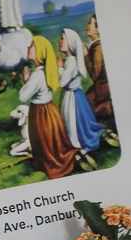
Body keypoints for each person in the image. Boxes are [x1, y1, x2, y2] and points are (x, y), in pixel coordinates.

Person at [18, 34, 77, 179]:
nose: (28, 48)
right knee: (53, 141)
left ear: (39, 51)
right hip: (51, 111)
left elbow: (22, 97)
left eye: (32, 46)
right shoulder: (48, 69)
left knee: (45, 142)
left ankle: (50, 163)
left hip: (41, 114)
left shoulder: (37, 75)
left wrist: (25, 80)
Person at [58, 27, 103, 169]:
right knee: (72, 124)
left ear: (70, 42)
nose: (60, 41)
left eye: (62, 38)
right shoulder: (69, 60)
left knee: (75, 124)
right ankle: (75, 145)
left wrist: (59, 68)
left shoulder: (71, 61)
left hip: (74, 99)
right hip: (70, 96)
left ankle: (78, 146)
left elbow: (62, 82)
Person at [85, 13, 114, 135]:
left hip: (102, 89)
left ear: (98, 29)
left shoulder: (98, 48)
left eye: (90, 24)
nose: (87, 26)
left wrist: (85, 56)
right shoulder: (96, 46)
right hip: (101, 87)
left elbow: (94, 75)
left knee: (85, 105)